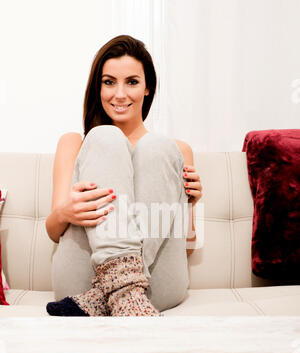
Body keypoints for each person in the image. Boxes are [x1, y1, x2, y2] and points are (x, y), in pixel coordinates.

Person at [45, 35, 202, 317]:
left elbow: (188, 248)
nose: (119, 94)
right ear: (98, 87)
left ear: (147, 88)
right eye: (109, 82)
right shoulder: (74, 144)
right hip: (81, 277)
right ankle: (125, 293)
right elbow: (53, 232)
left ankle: (116, 292)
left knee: (157, 147)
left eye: (131, 81)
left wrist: (187, 203)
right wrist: (65, 212)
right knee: (105, 137)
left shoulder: (176, 151)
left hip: (156, 284)